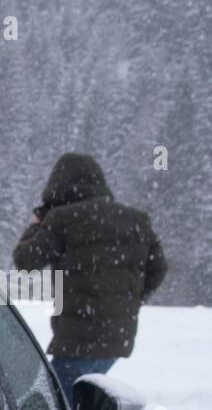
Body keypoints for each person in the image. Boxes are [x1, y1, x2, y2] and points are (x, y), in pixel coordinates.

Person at [13, 152, 166, 395]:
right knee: (81, 404)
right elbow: (158, 269)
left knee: (54, 408)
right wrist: (129, 299)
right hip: (117, 339)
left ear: (57, 186)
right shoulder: (136, 220)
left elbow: (25, 261)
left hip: (77, 340)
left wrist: (36, 224)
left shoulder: (62, 218)